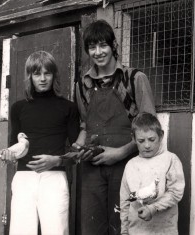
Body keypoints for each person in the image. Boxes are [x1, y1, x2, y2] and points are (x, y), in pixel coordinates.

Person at [74, 19, 156, 235]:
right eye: (92, 47)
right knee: (92, 227)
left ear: (113, 46)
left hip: (128, 166)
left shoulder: (134, 79)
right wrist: (78, 146)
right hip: (92, 170)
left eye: (103, 45)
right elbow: (85, 125)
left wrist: (120, 153)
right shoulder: (82, 85)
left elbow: (149, 131)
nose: (98, 52)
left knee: (126, 226)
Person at [0, 51, 80, 235]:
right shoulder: (18, 108)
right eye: (37, 74)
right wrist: (9, 154)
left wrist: (57, 160)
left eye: (47, 73)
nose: (42, 79)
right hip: (23, 179)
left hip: (54, 178)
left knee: (56, 231)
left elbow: (77, 154)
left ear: (54, 75)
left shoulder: (68, 107)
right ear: (30, 76)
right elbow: (16, 144)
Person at [120, 113, 185, 235]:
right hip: (136, 231)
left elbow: (176, 192)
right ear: (133, 139)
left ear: (161, 136)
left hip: (164, 230)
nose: (147, 145)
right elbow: (125, 202)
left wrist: (153, 208)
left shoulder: (171, 160)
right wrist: (124, 230)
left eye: (151, 139)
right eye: (141, 140)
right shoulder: (130, 165)